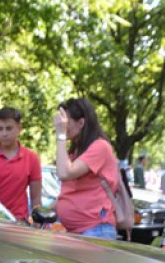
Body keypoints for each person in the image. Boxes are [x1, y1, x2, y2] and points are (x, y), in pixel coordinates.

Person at [52, 98, 122, 240]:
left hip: (95, 230)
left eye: (66, 121)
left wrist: (60, 135)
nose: (62, 125)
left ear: (81, 122)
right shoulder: (75, 151)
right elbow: (68, 192)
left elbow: (65, 173)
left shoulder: (100, 147)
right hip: (74, 231)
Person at [0, 107, 42, 221]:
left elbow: (36, 198)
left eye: (9, 128)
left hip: (19, 222)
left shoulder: (31, 158)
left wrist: (38, 223)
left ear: (19, 129)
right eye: (0, 129)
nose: (4, 133)